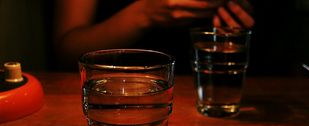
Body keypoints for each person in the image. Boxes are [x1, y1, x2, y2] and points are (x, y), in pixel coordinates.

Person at [53, 0, 254, 73]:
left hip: (218, 100)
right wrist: (144, 14)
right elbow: (67, 52)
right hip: (116, 97)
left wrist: (239, 21)